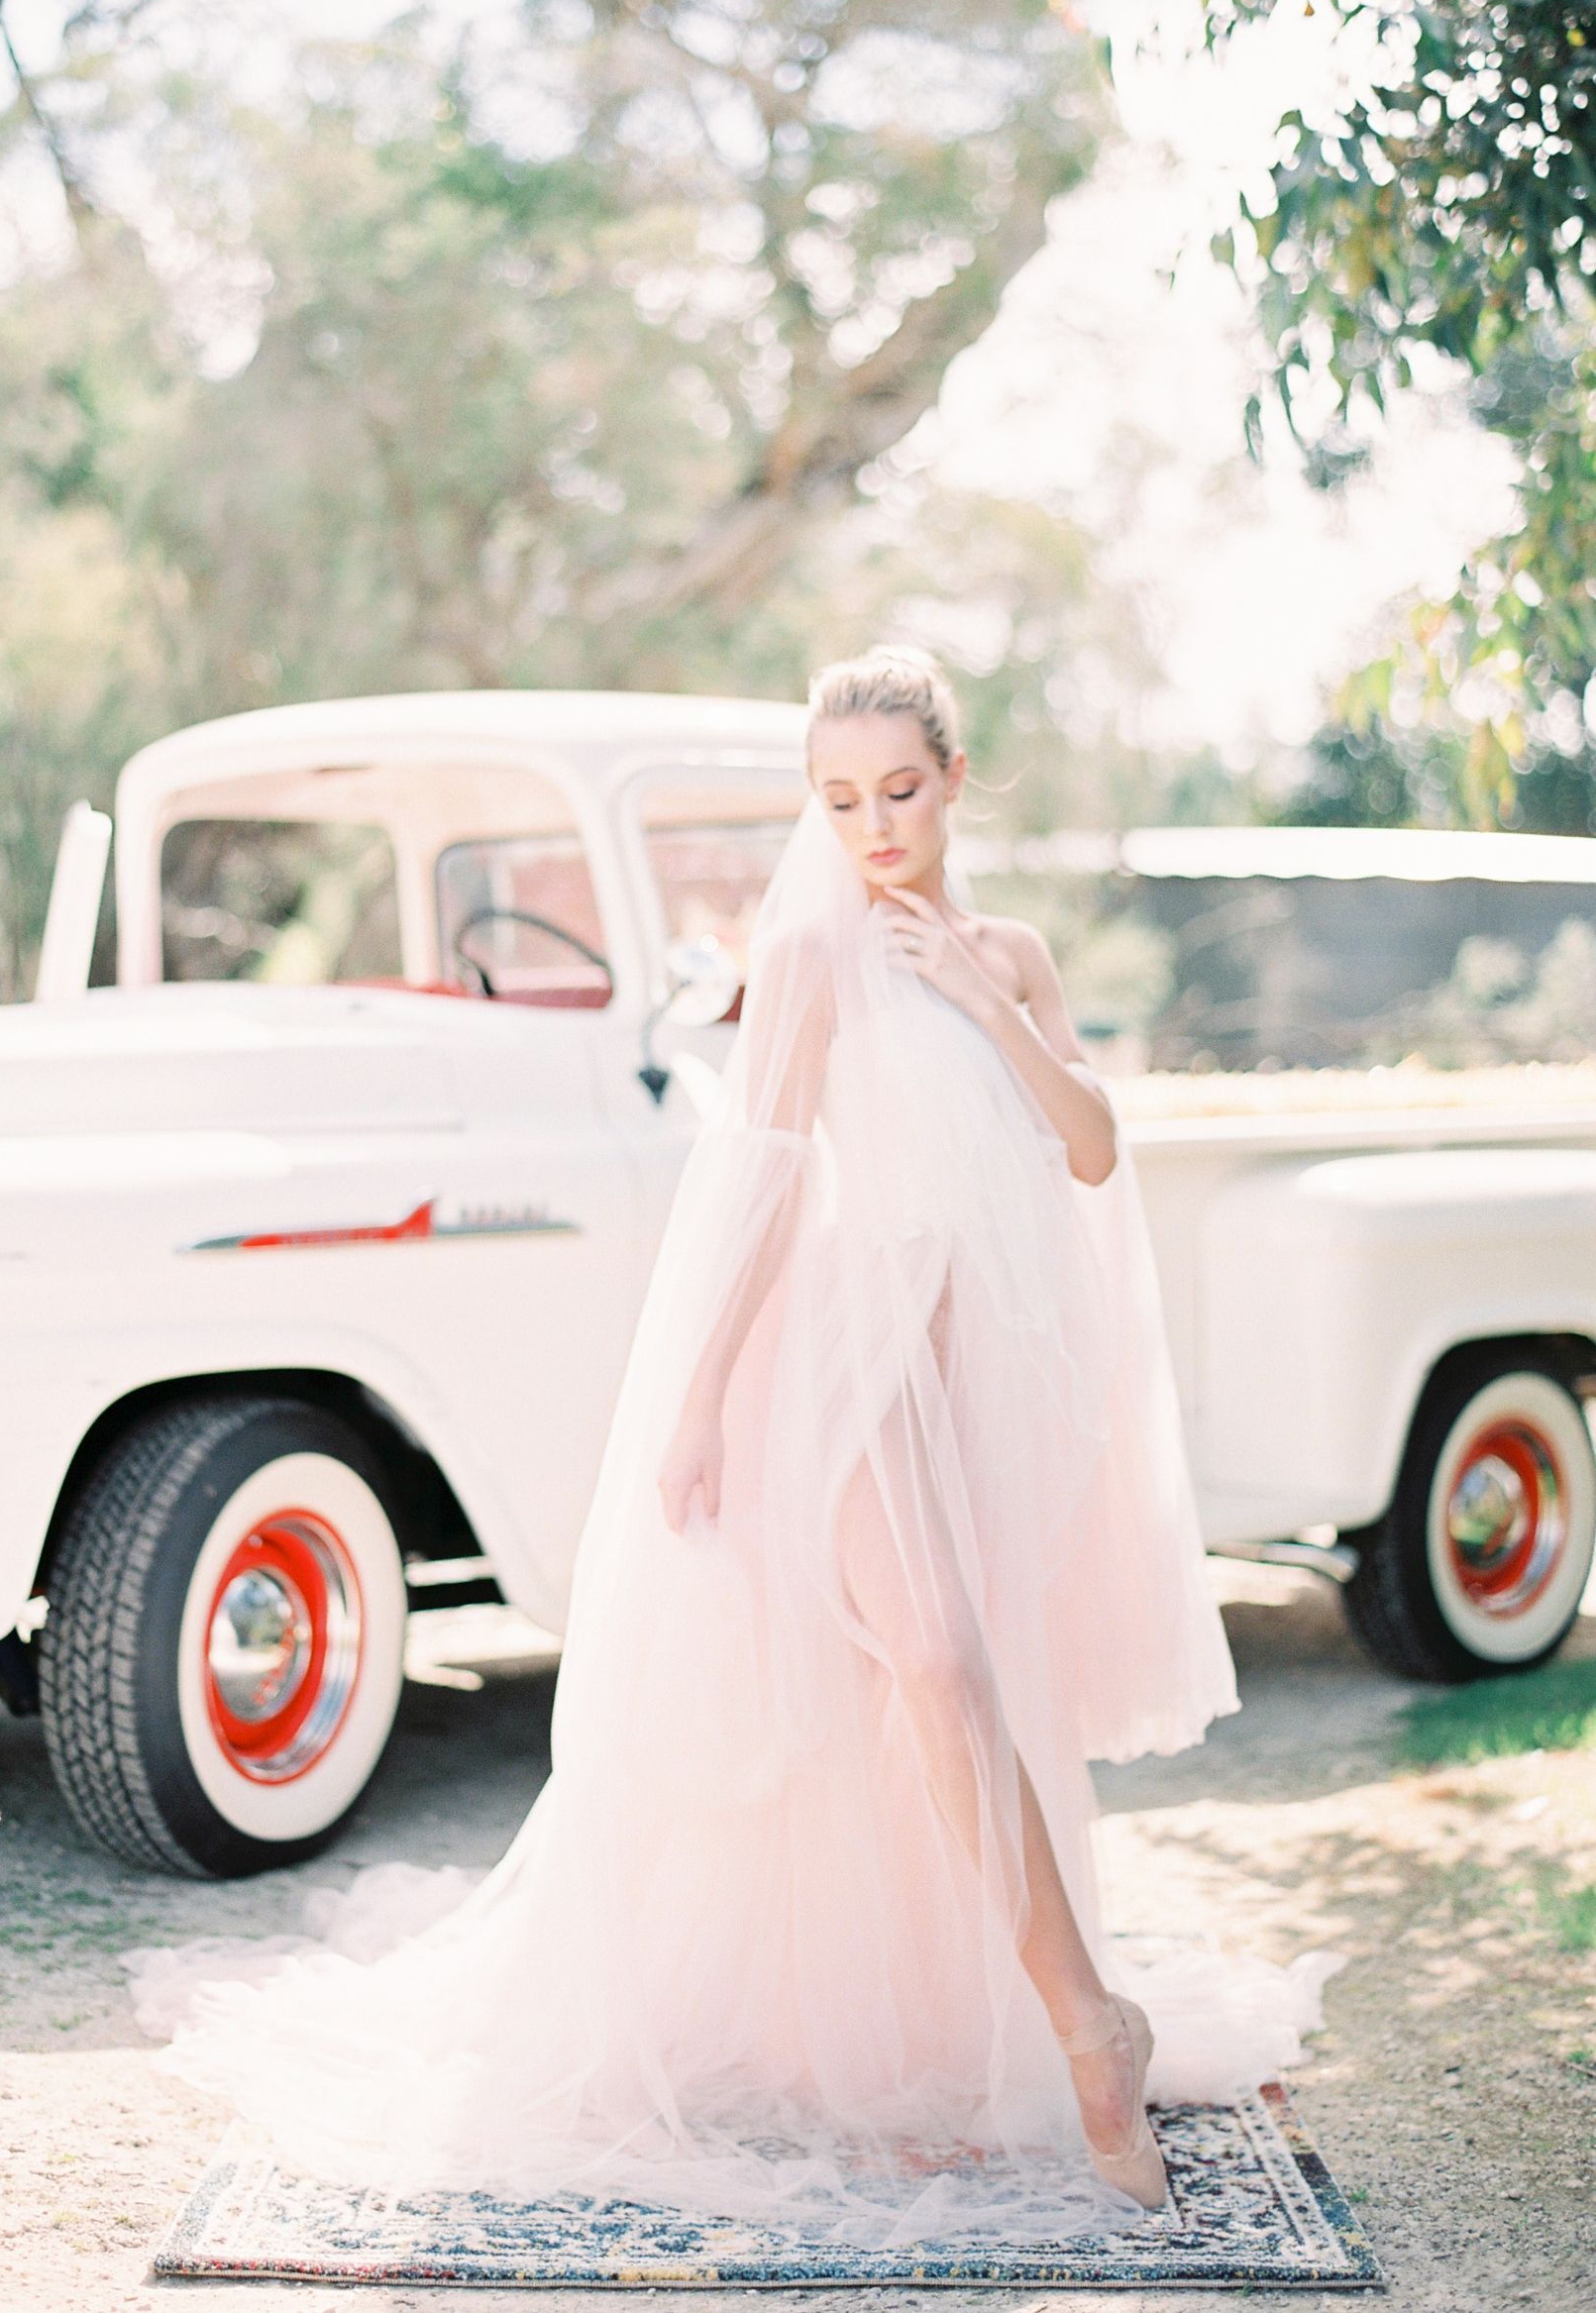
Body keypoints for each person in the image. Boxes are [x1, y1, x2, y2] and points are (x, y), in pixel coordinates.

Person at [128, 647, 1335, 2249]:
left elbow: (1093, 1146)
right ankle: (1083, 2020)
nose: (871, 825)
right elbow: (761, 1171)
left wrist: (985, 995)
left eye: (898, 789)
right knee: (935, 1656)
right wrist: (697, 1395)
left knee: (934, 1691)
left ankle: (905, 2013)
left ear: (955, 779)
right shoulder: (812, 945)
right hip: (835, 1360)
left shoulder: (1012, 951)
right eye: (837, 799)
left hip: (971, 1366)